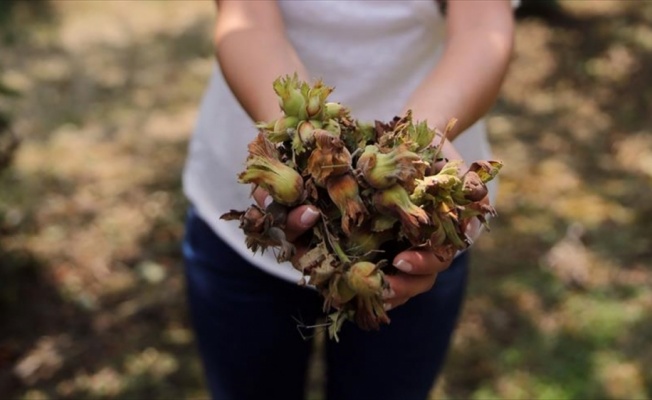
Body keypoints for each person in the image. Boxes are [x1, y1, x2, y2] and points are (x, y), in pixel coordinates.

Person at [181, 1, 516, 399]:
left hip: (408, 242)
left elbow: (482, 28)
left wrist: (420, 143)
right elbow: (246, 18)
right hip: (240, 236)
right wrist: (297, 144)